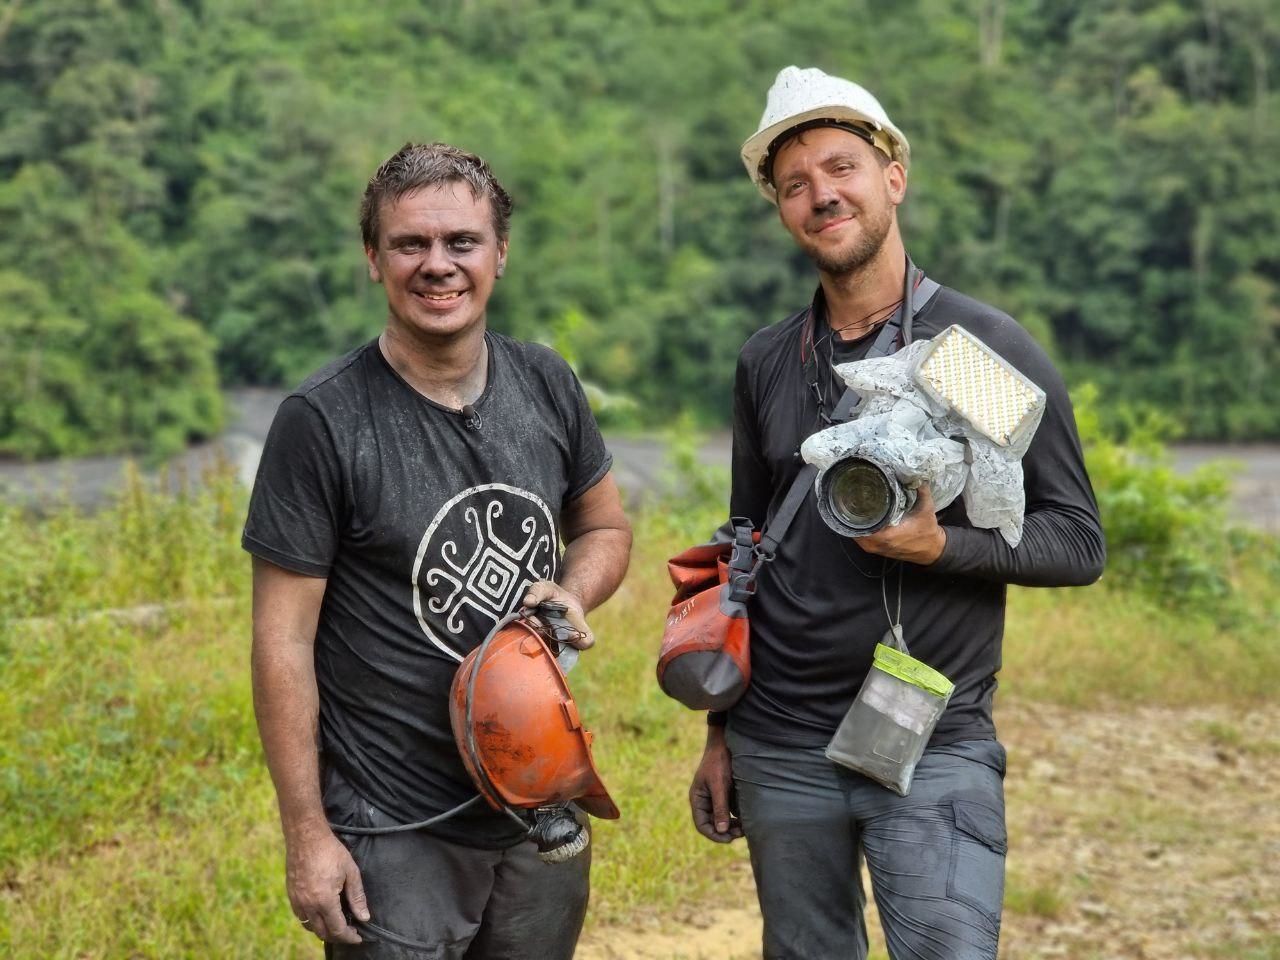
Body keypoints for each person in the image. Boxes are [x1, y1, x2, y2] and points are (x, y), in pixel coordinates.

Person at [686, 67, 1106, 960]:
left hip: (935, 736)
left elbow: (1077, 540)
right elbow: (745, 554)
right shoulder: (768, 363)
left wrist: (938, 544)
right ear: (780, 210)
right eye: (794, 185)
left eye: (841, 168)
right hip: (781, 743)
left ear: (893, 177)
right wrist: (722, 733)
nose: (821, 195)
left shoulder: (967, 351)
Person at [244, 142, 631, 959]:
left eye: (460, 242)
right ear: (373, 260)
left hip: (538, 797)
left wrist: (574, 591)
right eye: (410, 245)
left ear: (499, 254)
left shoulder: (546, 382)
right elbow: (282, 642)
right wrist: (307, 836)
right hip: (392, 829)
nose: (437, 265)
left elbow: (605, 528)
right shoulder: (322, 421)